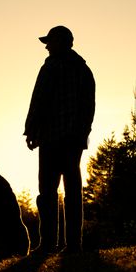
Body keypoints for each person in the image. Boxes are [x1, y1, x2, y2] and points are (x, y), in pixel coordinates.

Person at [24, 26, 95, 254]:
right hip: (74, 138)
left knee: (47, 190)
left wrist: (31, 130)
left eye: (49, 42)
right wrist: (83, 133)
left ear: (61, 42)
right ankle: (74, 243)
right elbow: (89, 108)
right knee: (73, 190)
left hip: (51, 137)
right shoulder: (84, 70)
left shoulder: (50, 67)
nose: (46, 46)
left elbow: (39, 100)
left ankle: (47, 244)